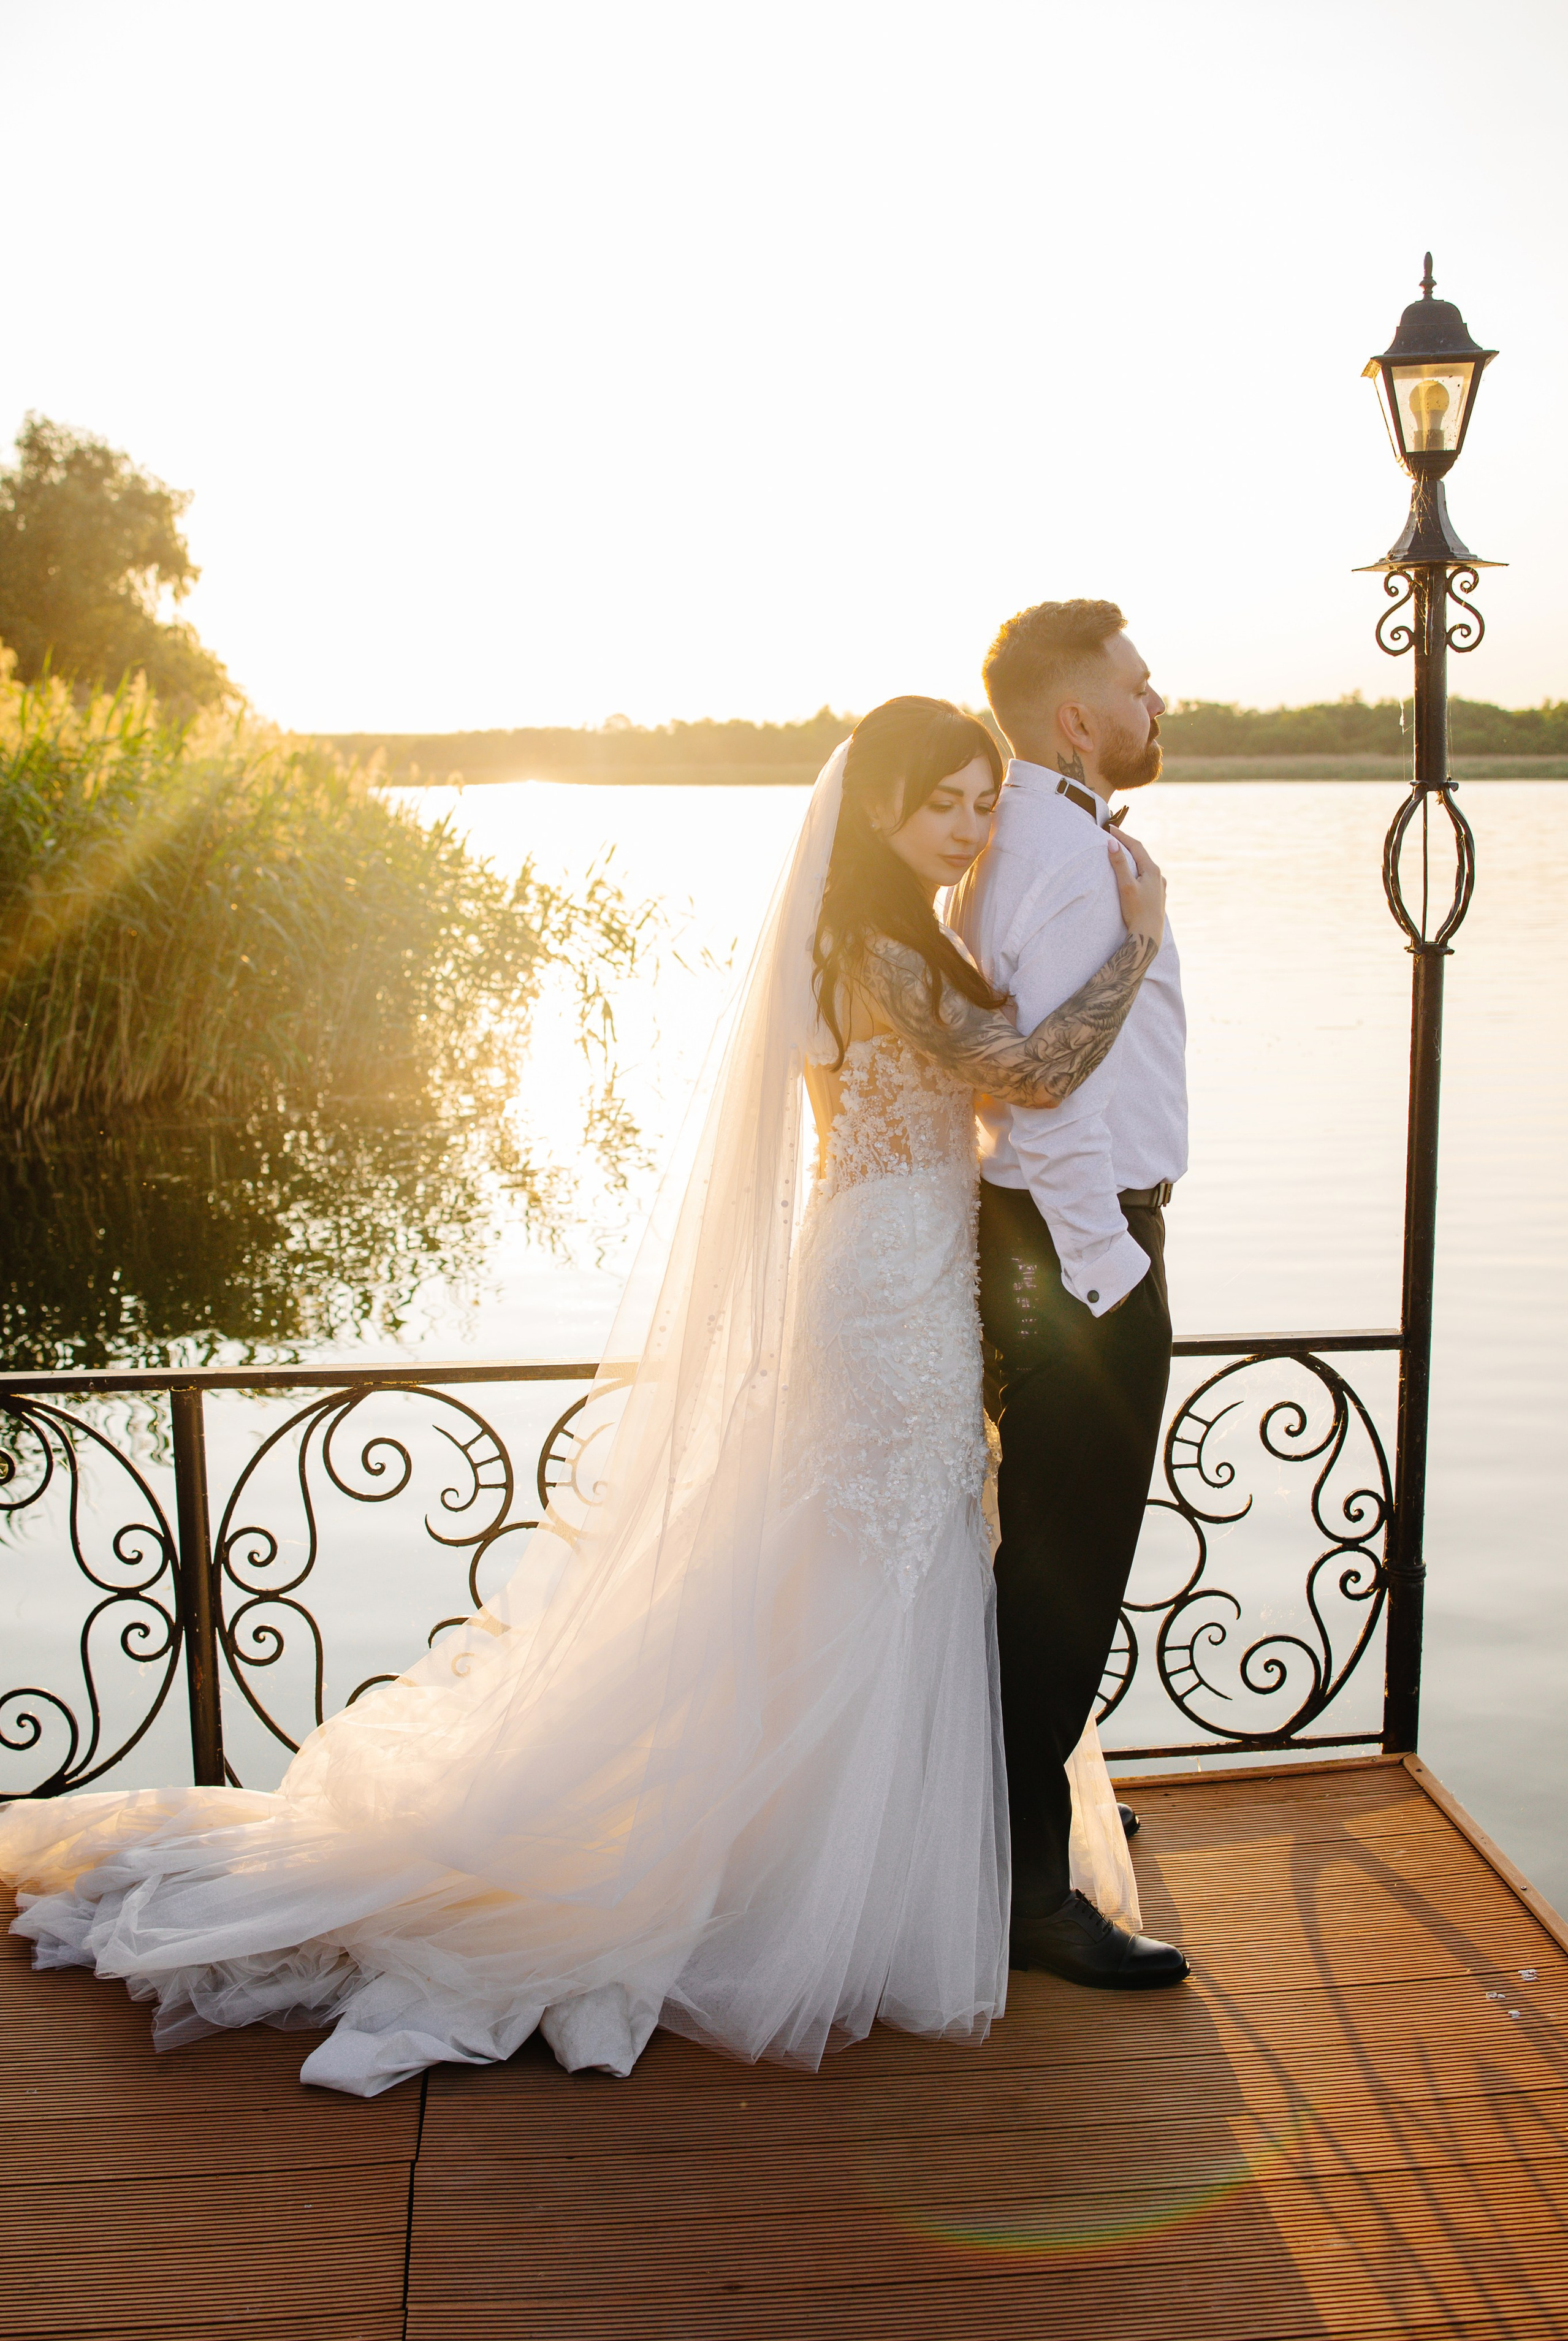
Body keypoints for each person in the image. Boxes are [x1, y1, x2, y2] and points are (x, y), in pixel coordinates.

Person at [0, 696, 1173, 2099]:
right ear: (876, 809)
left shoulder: (897, 933)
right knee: (884, 1551)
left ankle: (888, 1866)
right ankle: (820, 1885)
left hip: (904, 1264)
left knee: (897, 1556)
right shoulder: (872, 946)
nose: (972, 829)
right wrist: (1137, 935)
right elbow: (1031, 1072)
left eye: (987, 804)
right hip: (883, 1286)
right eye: (947, 805)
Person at [951, 602, 1190, 1990]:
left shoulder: (1036, 837)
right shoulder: (1058, 854)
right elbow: (1042, 1094)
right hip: (1074, 1252)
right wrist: (1109, 1270)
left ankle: (1030, 1807)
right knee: (1061, 1572)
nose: (1161, 701)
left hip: (1052, 1246)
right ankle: (1029, 1895)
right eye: (1137, 685)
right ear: (1074, 717)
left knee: (1040, 1552)